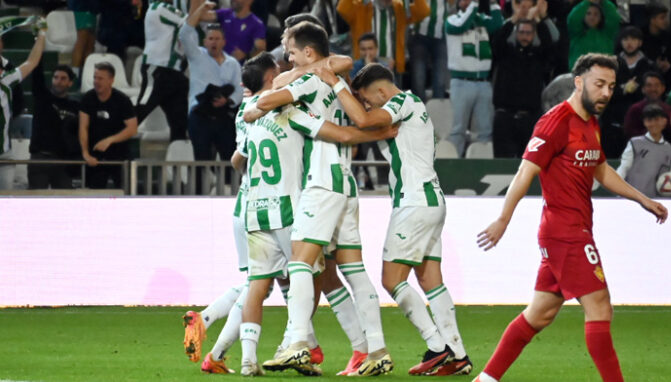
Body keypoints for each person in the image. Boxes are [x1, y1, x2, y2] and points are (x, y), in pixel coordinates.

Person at [473, 53, 668, 382]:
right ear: (579, 83)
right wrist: (503, 219)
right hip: (566, 233)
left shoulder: (591, 121)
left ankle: (486, 379)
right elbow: (525, 172)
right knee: (600, 306)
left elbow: (602, 171)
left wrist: (641, 198)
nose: (606, 92)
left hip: (571, 230)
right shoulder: (555, 122)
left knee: (540, 314)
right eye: (599, 84)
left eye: (611, 86)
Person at [233, 53, 397, 377]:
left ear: (306, 52)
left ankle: (297, 343)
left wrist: (282, 85)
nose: (286, 60)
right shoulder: (321, 88)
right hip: (343, 180)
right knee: (347, 271)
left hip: (318, 185)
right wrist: (382, 134)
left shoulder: (299, 95)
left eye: (290, 49)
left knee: (298, 266)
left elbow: (261, 108)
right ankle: (373, 349)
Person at [316, 62, 472, 376]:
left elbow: (361, 118)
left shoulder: (403, 102)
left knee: (392, 280)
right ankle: (458, 355)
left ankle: (437, 347)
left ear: (383, 91)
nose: (369, 105)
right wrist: (346, 84)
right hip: (429, 200)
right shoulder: (410, 107)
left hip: (415, 202)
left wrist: (333, 81)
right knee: (430, 281)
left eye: (371, 99)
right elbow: (362, 115)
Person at [180, 2, 243, 187]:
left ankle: (231, 195)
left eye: (217, 38)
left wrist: (228, 100)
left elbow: (239, 88)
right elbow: (185, 33)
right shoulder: (197, 55)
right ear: (205, 41)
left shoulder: (231, 63)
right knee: (201, 159)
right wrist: (201, 9)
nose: (214, 42)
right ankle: (199, 195)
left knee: (228, 158)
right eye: (210, 39)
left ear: (223, 42)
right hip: (199, 115)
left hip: (224, 114)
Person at [445, 0, 503, 157]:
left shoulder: (482, 20)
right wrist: (475, 4)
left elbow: (499, 26)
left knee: (486, 131)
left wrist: (492, 3)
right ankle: (452, 167)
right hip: (461, 82)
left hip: (483, 83)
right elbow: (461, 26)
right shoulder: (452, 20)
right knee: (458, 130)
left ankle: (483, 166)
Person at [492, 18, 553, 158]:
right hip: (504, 116)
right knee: (502, 162)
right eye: (521, 32)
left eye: (529, 33)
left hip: (529, 117)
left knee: (527, 162)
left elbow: (550, 49)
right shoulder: (505, 53)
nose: (525, 36)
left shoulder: (539, 56)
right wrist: (512, 20)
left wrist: (540, 21)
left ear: (534, 35)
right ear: (516, 34)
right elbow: (496, 41)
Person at [337, 0, 430, 85]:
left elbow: (423, 11)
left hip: (392, 67)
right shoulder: (360, 7)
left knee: (394, 101)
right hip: (364, 64)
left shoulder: (399, 8)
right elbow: (342, 9)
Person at [136, 0, 190, 142]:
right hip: (157, 69)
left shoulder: (167, 9)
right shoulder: (160, 8)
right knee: (139, 112)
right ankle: (111, 147)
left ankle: (178, 161)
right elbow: (190, 22)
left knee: (179, 123)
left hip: (175, 72)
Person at [0, 25, 46, 190]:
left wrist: (41, 34)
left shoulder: (6, 80)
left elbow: (32, 62)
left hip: (4, 156)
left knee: (6, 203)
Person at [79, 62, 138, 189]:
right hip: (96, 156)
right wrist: (85, 153)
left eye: (100, 78)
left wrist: (110, 140)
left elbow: (132, 128)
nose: (96, 81)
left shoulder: (122, 100)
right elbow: (83, 127)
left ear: (111, 80)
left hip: (120, 155)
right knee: (94, 194)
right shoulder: (88, 98)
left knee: (125, 191)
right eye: (95, 77)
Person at [600, 26, 657, 158]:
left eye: (633, 39)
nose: (629, 43)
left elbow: (653, 91)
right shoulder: (611, 64)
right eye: (625, 39)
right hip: (614, 121)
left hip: (640, 122)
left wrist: (638, 89)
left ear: (640, 42)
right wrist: (622, 89)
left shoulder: (648, 65)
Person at [28, 62, 80, 189]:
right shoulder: (42, 97)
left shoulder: (76, 107)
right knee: (36, 202)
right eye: (55, 77)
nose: (58, 81)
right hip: (40, 158)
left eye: (63, 78)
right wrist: (39, 44)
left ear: (70, 83)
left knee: (65, 204)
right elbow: (37, 75)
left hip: (63, 161)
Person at [616, 103, 671, 197]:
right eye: (649, 120)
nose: (653, 124)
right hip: (630, 199)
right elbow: (623, 168)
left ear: (664, 121)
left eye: (656, 120)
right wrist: (617, 190)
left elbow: (667, 178)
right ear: (644, 122)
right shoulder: (635, 143)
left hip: (653, 202)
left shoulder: (670, 150)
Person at [623, 71, 671, 160]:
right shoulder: (635, 109)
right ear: (643, 89)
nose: (653, 89)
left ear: (663, 88)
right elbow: (629, 134)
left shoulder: (670, 111)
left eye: (657, 85)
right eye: (649, 85)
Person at [409, 0, 452, 100]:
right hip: (419, 35)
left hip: (440, 35)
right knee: (418, 79)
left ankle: (438, 113)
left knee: (440, 80)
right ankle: (419, 112)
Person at [566, 0, 620, 70]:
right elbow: (573, 19)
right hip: (580, 73)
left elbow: (614, 18)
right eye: (588, 13)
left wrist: (604, 2)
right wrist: (587, 1)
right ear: (583, 15)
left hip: (603, 73)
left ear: (601, 17)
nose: (592, 17)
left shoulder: (607, 34)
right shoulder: (576, 34)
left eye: (596, 14)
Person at [641, 3, 671, 77]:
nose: (666, 21)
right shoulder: (640, 36)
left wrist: (668, 64)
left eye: (666, 17)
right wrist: (653, 64)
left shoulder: (668, 36)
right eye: (662, 18)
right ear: (652, 20)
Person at [67, 0, 98, 77]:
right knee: (81, 41)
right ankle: (74, 75)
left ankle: (86, 75)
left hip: (92, 9)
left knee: (90, 44)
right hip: (81, 8)